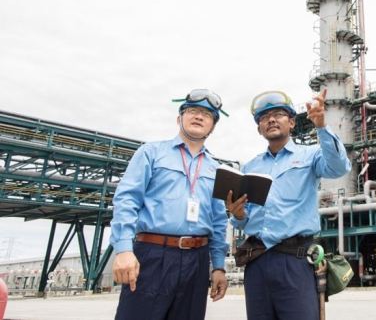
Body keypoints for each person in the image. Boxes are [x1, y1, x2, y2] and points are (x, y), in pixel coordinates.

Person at [227, 88, 351, 320]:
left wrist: (321, 126)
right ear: (259, 128)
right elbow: (245, 219)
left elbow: (339, 167)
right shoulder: (250, 167)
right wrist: (239, 215)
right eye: (264, 117)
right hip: (257, 262)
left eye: (278, 114)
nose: (271, 120)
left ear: (292, 122)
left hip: (295, 260)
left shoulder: (311, 155)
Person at [110, 89, 230, 320]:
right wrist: (124, 249)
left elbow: (218, 220)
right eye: (192, 111)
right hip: (153, 255)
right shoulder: (151, 153)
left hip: (197, 259)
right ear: (179, 118)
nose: (199, 116)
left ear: (213, 126)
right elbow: (127, 200)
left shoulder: (216, 170)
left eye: (207, 114)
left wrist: (218, 266)